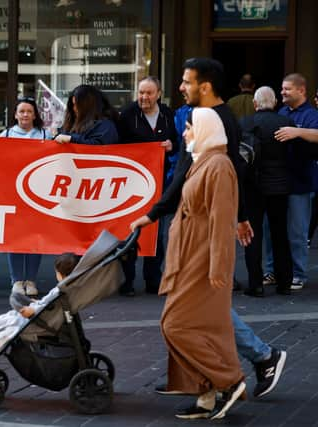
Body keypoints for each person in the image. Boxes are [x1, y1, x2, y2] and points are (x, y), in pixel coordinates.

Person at [130, 58, 286, 400]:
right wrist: (158, 213)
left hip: (201, 230)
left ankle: (259, 356)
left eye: (187, 81)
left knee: (200, 307)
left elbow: (227, 175)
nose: (181, 87)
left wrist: (237, 217)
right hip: (190, 226)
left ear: (205, 85)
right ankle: (190, 377)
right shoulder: (201, 117)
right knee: (189, 306)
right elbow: (189, 172)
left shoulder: (217, 123)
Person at [159, 107, 245, 420]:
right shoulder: (205, 162)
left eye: (189, 129)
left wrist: (219, 267)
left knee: (176, 323)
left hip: (202, 257)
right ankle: (207, 394)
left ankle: (229, 380)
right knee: (200, 327)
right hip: (189, 254)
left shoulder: (218, 166)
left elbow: (223, 221)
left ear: (205, 130)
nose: (183, 134)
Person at [117, 76, 177, 295]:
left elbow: (180, 141)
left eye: (149, 93)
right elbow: (116, 146)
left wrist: (172, 144)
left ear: (159, 94)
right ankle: (127, 281)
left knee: (156, 233)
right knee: (129, 231)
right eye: (141, 92)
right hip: (131, 185)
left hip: (159, 184)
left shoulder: (168, 115)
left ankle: (153, 279)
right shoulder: (127, 115)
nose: (144, 97)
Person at [0, 253, 81, 356]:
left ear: (60, 274)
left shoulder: (60, 290)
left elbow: (48, 304)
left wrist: (33, 309)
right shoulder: (69, 289)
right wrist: (37, 304)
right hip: (45, 312)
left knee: (13, 320)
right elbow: (50, 303)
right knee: (12, 316)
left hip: (41, 318)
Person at [240, 86, 294, 297]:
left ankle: (256, 284)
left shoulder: (245, 122)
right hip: (279, 186)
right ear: (274, 103)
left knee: (252, 234)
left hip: (253, 186)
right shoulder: (285, 123)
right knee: (280, 234)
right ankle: (285, 282)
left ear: (255, 103)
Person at [0, 97, 53, 296]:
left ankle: (31, 279)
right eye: (21, 111)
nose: (25, 115)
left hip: (38, 193)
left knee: (35, 236)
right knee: (15, 237)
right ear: (15, 114)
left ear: (35, 114)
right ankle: (16, 280)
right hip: (13, 192)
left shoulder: (46, 134)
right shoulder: (7, 134)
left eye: (29, 111)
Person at [271, 73, 318, 290]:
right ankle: (274, 270)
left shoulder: (310, 114)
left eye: (287, 89)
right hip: (278, 181)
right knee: (275, 230)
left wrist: (297, 132)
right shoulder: (281, 112)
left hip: (300, 181)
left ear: (301, 91)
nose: (283, 92)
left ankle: (298, 273)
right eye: (282, 89)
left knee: (298, 231)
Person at [54, 84, 119, 145]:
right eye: (73, 105)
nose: (74, 109)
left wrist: (72, 139)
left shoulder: (106, 126)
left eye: (78, 105)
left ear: (89, 106)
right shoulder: (72, 122)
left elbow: (99, 148)